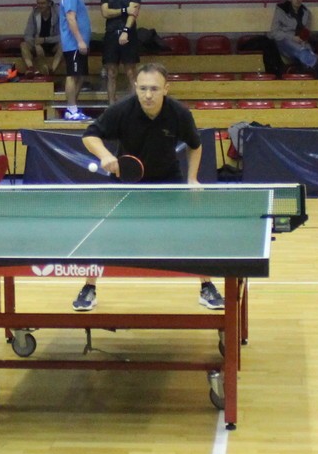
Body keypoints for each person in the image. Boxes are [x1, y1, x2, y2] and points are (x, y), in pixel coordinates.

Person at [76, 62, 222, 314]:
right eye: (142, 88)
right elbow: (90, 135)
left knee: (190, 234)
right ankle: (89, 287)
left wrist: (192, 179)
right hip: (126, 181)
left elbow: (195, 145)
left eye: (154, 88)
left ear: (166, 88)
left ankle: (206, 286)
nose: (147, 94)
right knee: (103, 234)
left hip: (167, 181)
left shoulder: (179, 113)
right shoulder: (122, 110)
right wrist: (104, 155)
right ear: (135, 87)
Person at [100, 0, 142, 100]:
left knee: (131, 72)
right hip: (111, 34)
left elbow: (133, 13)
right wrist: (124, 10)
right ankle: (111, 106)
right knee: (111, 73)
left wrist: (125, 31)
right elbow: (105, 13)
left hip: (128, 34)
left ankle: (134, 105)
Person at [268, 0, 318, 78]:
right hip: (283, 40)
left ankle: (311, 64)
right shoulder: (281, 11)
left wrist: (302, 39)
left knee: (305, 47)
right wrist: (292, 37)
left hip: (300, 41)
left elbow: (306, 32)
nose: (298, 0)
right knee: (291, 44)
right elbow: (273, 33)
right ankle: (315, 62)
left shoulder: (306, 13)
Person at [58, 0, 92, 122]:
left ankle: (73, 108)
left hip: (78, 44)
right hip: (73, 44)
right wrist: (79, 40)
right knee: (72, 75)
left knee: (80, 76)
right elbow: (71, 18)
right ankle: (71, 110)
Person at [20, 0, 64, 76]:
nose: (40, 6)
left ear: (49, 3)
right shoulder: (34, 13)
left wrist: (44, 40)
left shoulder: (58, 13)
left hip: (53, 44)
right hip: (37, 44)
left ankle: (52, 70)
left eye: (43, 3)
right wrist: (35, 43)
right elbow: (27, 34)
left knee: (64, 45)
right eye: (38, 3)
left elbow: (63, 36)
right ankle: (31, 68)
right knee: (23, 45)